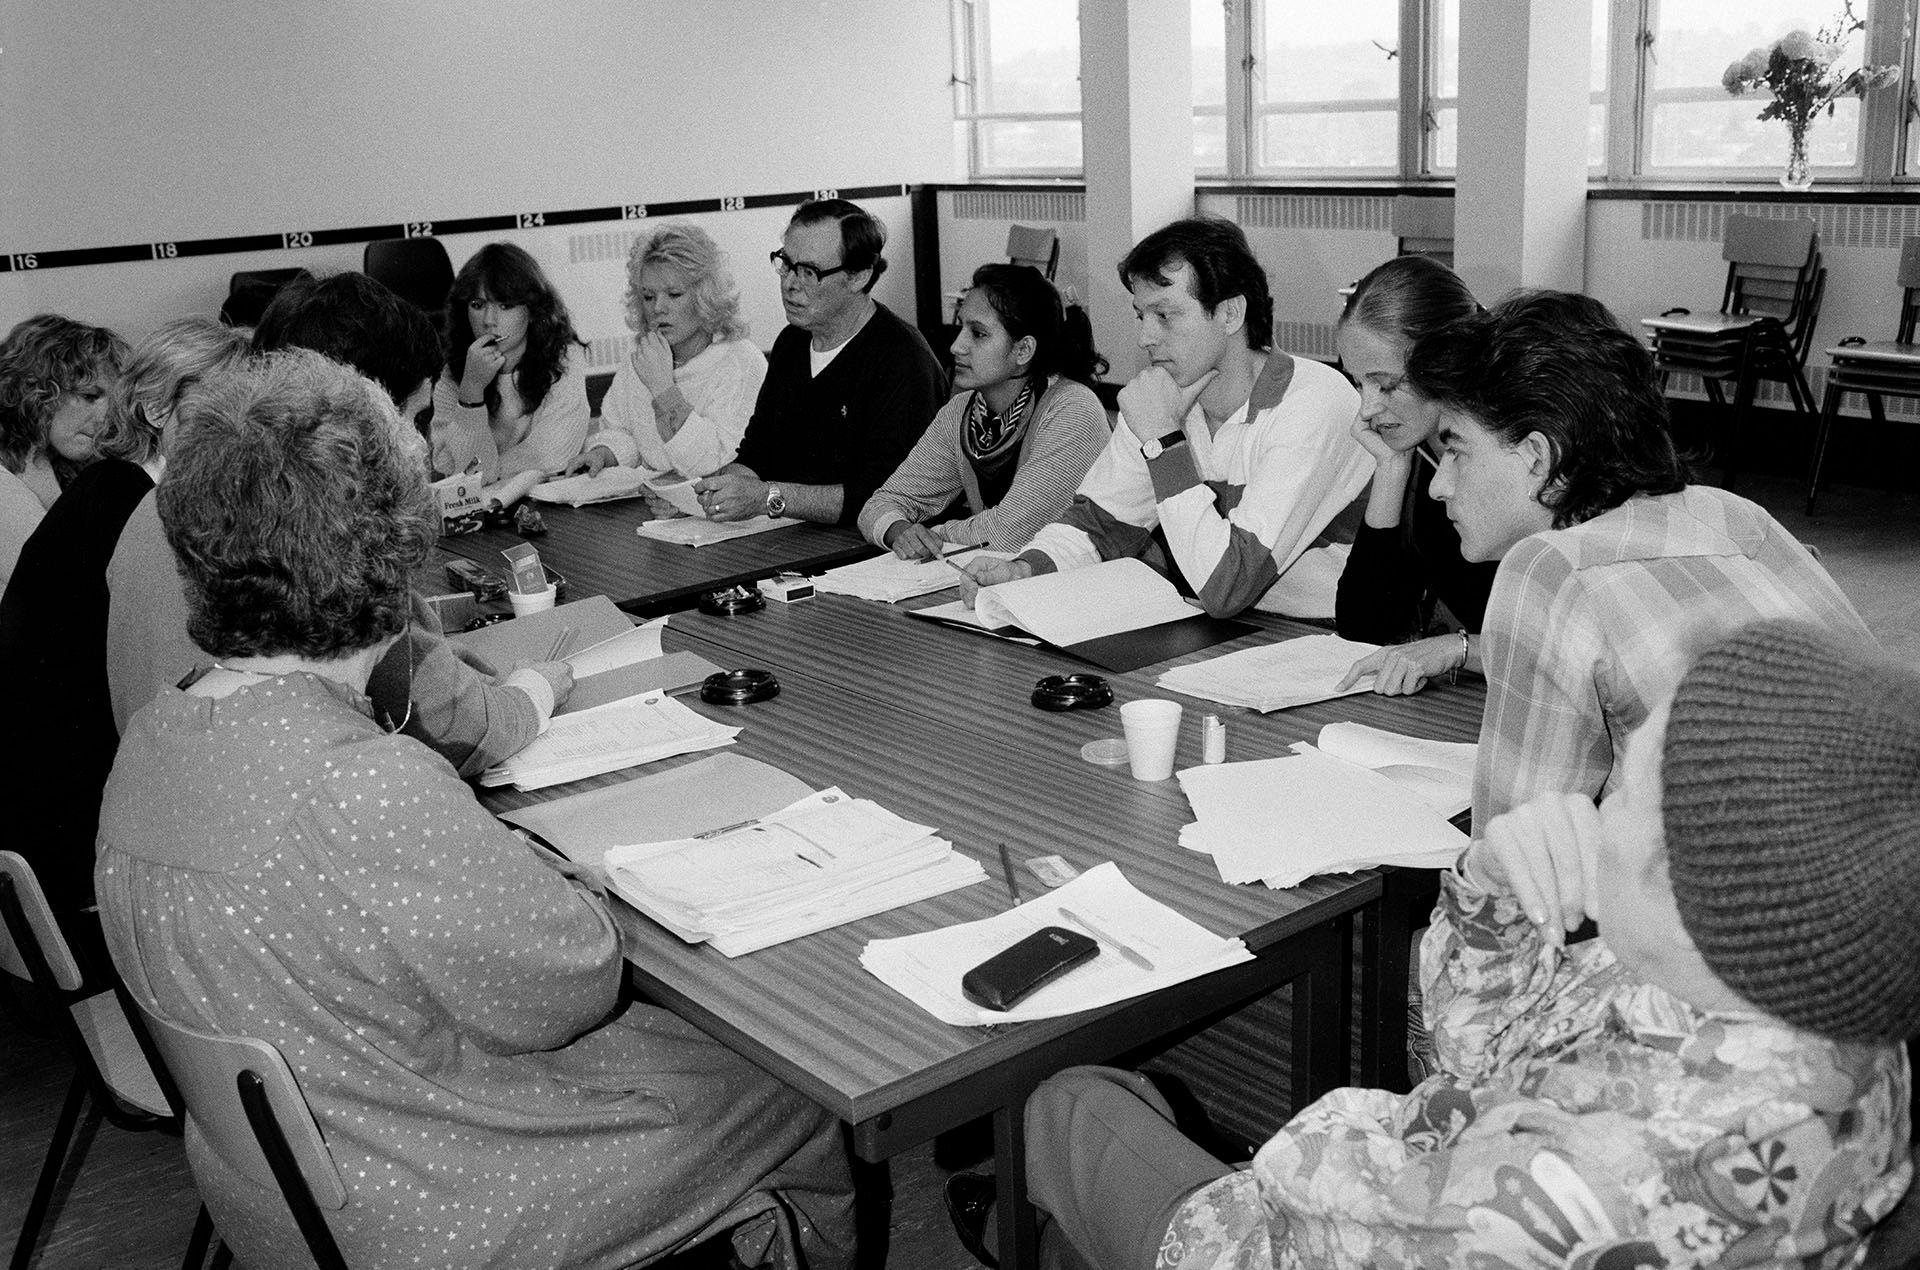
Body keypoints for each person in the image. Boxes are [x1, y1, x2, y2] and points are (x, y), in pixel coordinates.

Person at [96, 349, 855, 1270]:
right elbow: (571, 983)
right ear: (389, 556)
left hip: (277, 1191)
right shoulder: (362, 781)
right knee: (789, 1095)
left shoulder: (158, 733)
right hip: (428, 1206)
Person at [990, 619, 1914, 1270]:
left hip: (1303, 1234)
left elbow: (1304, 1174)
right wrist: (1494, 892)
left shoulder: (1583, 1177)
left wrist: (1380, 1122)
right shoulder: (1787, 987)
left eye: (1624, 789)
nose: (1592, 806)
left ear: (1691, 881)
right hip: (1425, 1201)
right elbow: (1476, 1054)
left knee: (1068, 1101)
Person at [1403, 290, 1872, 827]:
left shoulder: (1548, 568)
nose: (1439, 485)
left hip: (1739, 902)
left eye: (1457, 451)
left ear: (1537, 457)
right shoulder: (1736, 515)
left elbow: (1514, 862)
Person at [106, 273, 569, 778]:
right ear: (362, 417)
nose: (419, 449)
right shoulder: (332, 528)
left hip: (173, 791)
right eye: (411, 420)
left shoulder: (157, 506)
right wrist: (536, 690)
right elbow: (457, 730)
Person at [957, 216, 1370, 619]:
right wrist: (1025, 568)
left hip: (1328, 639)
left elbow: (1227, 586)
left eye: (1165, 316)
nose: (1145, 338)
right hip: (1229, 630)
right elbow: (1098, 525)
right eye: (1142, 316)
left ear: (1230, 314)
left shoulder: (1313, 401)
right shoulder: (1166, 396)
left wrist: (1162, 440)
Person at [0, 317, 247, 956]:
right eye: (222, 404)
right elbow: (161, 711)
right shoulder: (138, 511)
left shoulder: (108, 488)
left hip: (43, 816)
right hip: (80, 839)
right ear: (158, 408)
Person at [694, 198, 945, 525]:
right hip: (795, 531)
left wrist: (770, 498)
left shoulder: (902, 359)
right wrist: (708, 491)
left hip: (870, 545)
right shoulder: (792, 342)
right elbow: (758, 454)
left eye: (809, 271)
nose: (789, 283)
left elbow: (883, 495)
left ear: (858, 277)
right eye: (785, 263)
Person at [1329, 256, 1498, 696]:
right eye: (1357, 383)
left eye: (1385, 384)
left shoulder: (1515, 460)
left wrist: (1464, 649)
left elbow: (1573, 640)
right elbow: (1363, 627)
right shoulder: (1425, 456)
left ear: (1448, 361)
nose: (1366, 408)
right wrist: (1391, 470)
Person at [857, 263, 1106, 557]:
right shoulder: (962, 412)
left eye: (978, 334)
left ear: (1023, 350)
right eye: (961, 327)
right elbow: (879, 505)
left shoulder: (1072, 410)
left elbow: (1008, 533)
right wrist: (900, 532)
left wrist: (932, 537)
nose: (956, 346)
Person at [564, 222, 766, 482]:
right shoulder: (644, 355)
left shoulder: (740, 361)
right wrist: (604, 453)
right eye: (648, 296)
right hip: (654, 505)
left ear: (705, 296)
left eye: (674, 294)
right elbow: (624, 432)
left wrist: (663, 390)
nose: (658, 307)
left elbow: (714, 463)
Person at [431, 242, 590, 483]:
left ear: (533, 310)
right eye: (478, 305)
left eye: (505, 306)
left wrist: (485, 472)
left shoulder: (565, 359)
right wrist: (471, 391)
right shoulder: (454, 372)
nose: (488, 321)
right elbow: (449, 465)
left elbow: (552, 455)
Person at [0, 314, 129, 589]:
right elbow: (53, 590)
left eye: (113, 401)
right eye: (89, 396)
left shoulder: (72, 467)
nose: (106, 417)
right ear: (36, 390)